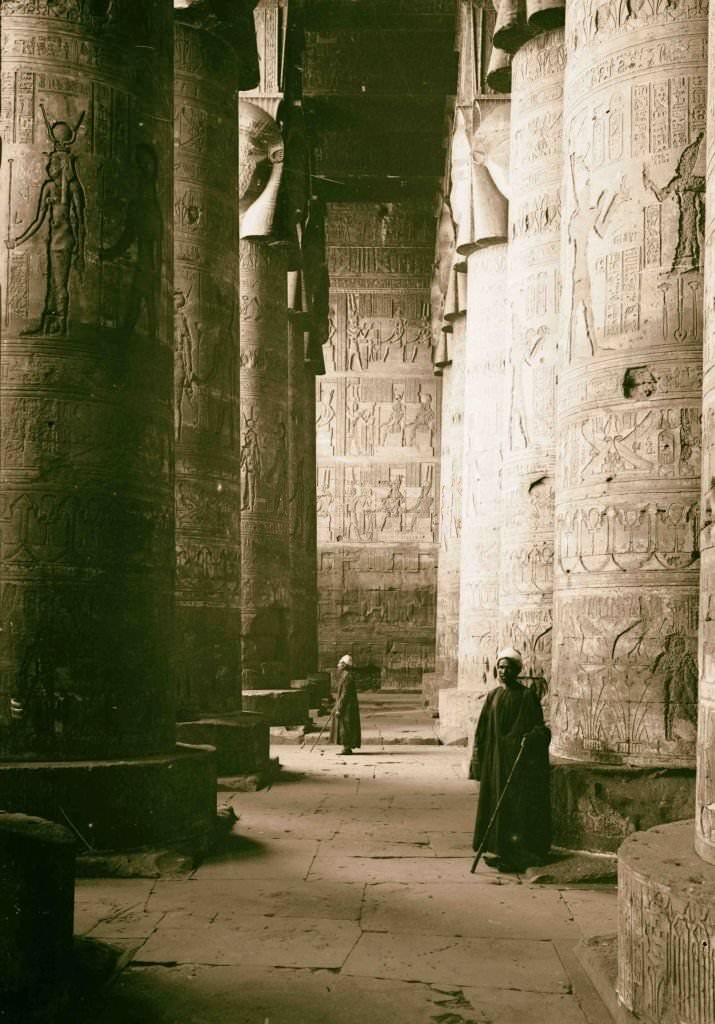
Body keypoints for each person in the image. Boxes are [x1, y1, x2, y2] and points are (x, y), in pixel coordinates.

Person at [470, 647, 551, 872]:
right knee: (495, 802)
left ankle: (516, 854)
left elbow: (539, 728)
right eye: (500, 667)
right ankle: (499, 849)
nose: (503, 671)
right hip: (495, 761)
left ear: (516, 671)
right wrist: (478, 760)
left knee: (515, 807)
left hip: (517, 762)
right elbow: (483, 729)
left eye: (508, 667)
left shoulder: (526, 696)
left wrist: (531, 738)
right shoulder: (493, 696)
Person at [330, 654, 361, 756]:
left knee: (346, 726)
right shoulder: (346, 675)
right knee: (345, 726)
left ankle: (347, 747)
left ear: (344, 665)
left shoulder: (347, 676)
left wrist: (339, 707)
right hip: (348, 705)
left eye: (339, 664)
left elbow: (345, 694)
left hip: (347, 706)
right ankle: (346, 747)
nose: (338, 666)